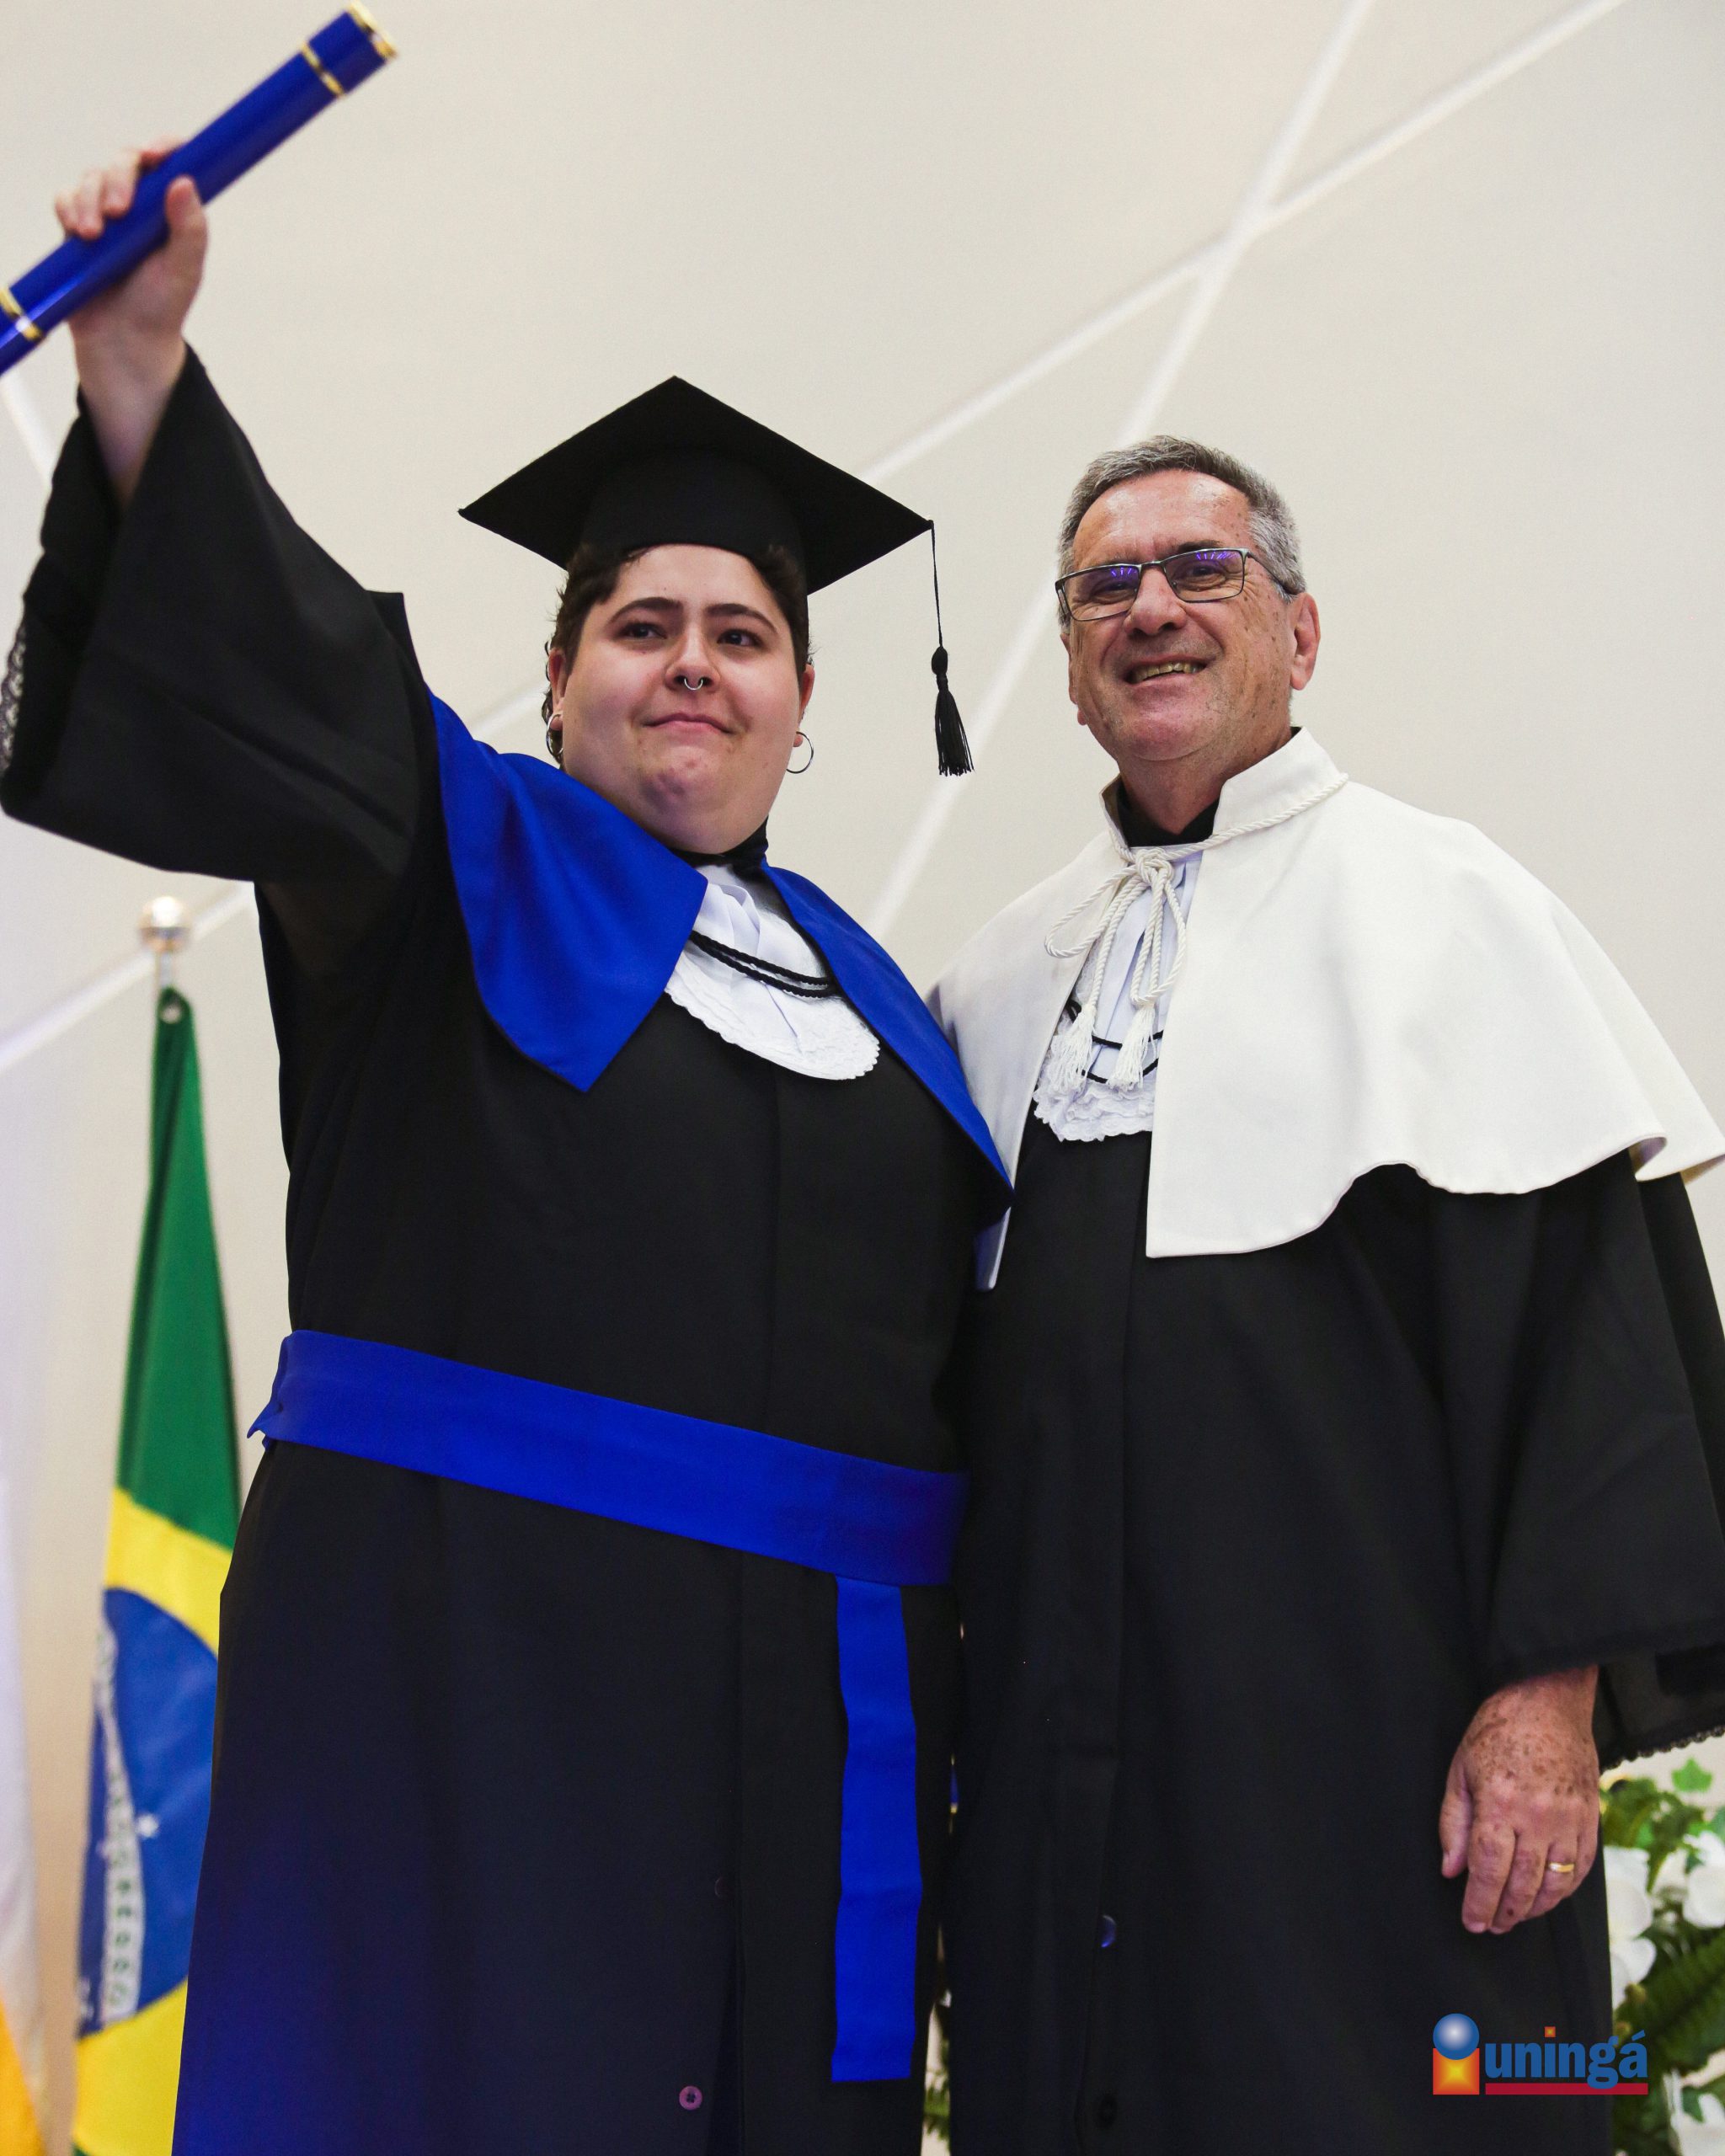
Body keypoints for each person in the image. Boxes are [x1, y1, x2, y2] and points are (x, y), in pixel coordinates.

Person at [1, 152, 1008, 2156]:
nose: (694, 660)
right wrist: (139, 371)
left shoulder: (894, 1012)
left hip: (808, 1762)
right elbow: (295, 671)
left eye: (742, 632)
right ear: (558, 680)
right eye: (642, 624)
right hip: (472, 1705)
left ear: (803, 702)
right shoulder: (438, 857)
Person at [930, 435, 1725, 2154]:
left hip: (1382, 1769)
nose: (1151, 608)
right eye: (1104, 587)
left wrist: (1551, 1704)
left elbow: (1596, 1357)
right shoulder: (995, 978)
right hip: (1072, 1782)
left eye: (1200, 570)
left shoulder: (1453, 914)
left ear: (1299, 630)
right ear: (1066, 664)